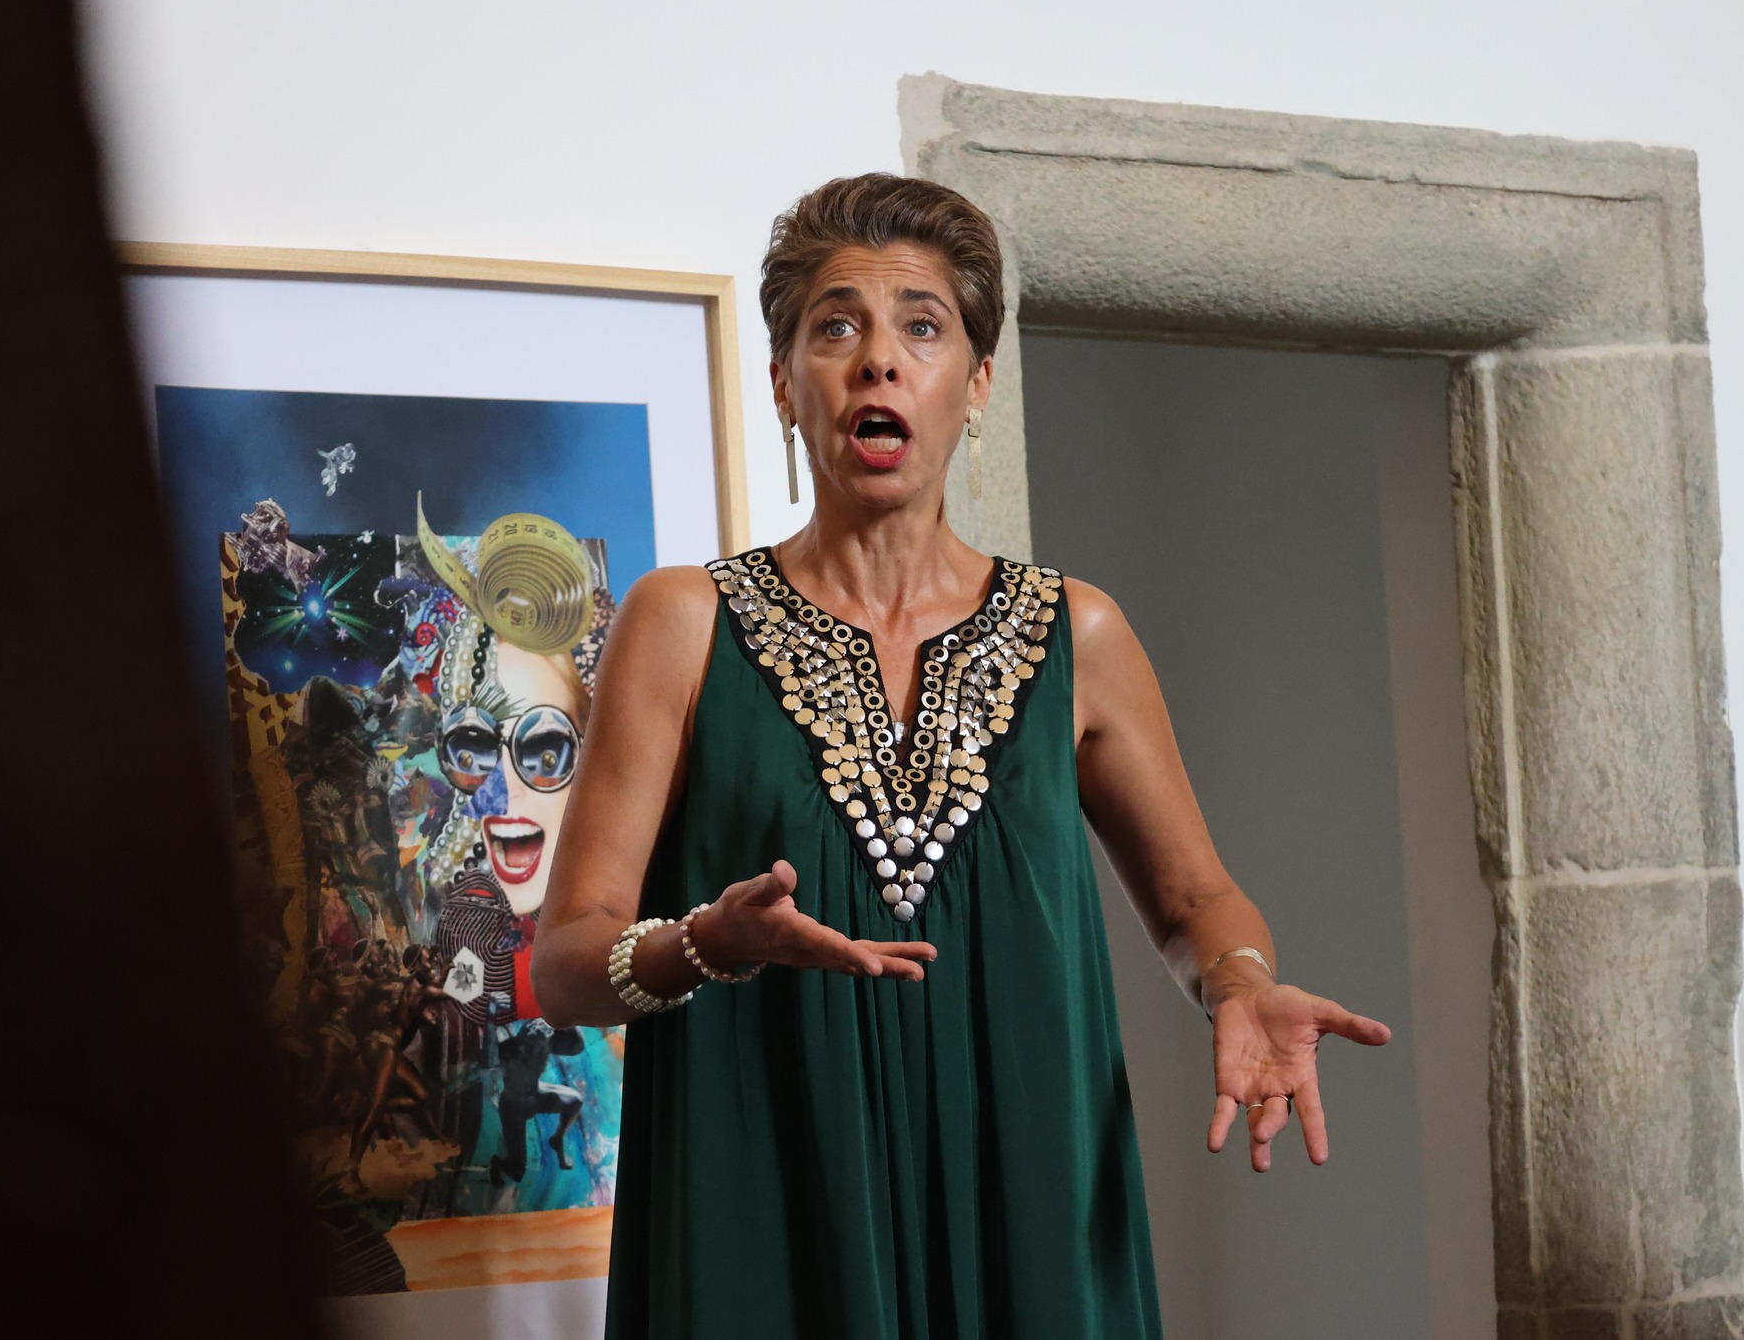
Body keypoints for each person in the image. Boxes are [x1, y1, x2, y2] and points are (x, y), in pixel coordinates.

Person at [531, 173, 1392, 1338]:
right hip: (765, 1210)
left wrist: (1240, 983)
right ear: (783, 383)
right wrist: (704, 943)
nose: (878, 361)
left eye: (922, 328)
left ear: (975, 384)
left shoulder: (1077, 635)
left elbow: (1196, 901)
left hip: (1028, 1204)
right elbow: (566, 965)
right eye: (835, 327)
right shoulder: (682, 623)